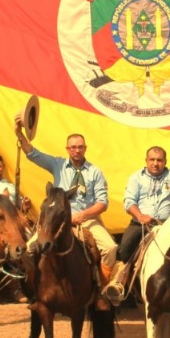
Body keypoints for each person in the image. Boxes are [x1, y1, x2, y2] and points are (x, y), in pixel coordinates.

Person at [15, 120, 117, 290]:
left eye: (80, 147)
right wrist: (19, 133)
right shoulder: (58, 164)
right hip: (57, 220)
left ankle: (102, 289)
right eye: (73, 147)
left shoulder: (95, 172)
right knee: (28, 251)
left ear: (85, 148)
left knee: (110, 248)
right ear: (67, 149)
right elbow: (32, 153)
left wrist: (82, 215)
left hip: (87, 220)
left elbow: (103, 203)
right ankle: (35, 288)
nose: (77, 150)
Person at [104, 145, 170, 306]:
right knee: (125, 249)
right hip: (141, 223)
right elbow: (129, 202)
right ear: (146, 161)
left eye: (159, 160)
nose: (155, 163)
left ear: (165, 162)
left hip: (168, 225)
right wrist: (140, 216)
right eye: (152, 159)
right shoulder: (136, 178)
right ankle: (119, 283)